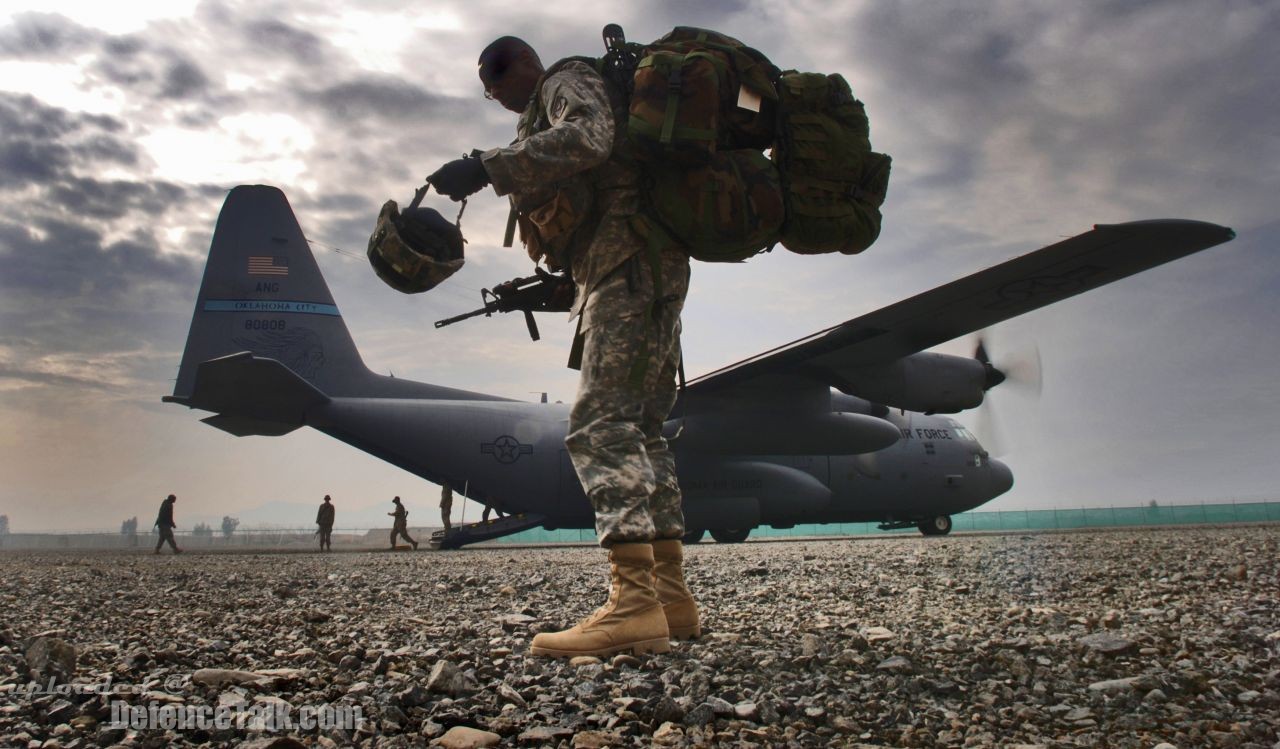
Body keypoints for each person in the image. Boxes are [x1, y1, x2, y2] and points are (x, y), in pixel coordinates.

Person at [427, 36, 699, 658]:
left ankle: (633, 606)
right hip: (637, 264)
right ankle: (670, 599)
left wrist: (488, 166)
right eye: (485, 84)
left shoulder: (565, 82)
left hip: (627, 263)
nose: (491, 91)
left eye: (493, 74)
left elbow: (590, 138)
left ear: (522, 64)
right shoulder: (549, 104)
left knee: (599, 428)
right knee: (642, 431)